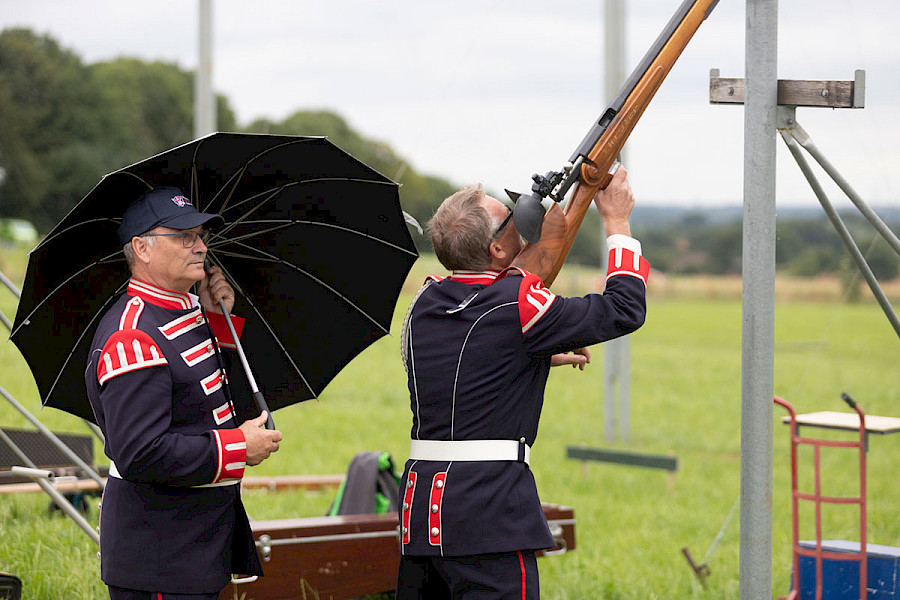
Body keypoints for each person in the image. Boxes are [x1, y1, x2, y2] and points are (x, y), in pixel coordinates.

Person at [395, 166, 649, 599]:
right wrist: (617, 222)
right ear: (496, 248)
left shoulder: (425, 301)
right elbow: (625, 308)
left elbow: (461, 364)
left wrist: (531, 357)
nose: (519, 218)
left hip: (421, 514)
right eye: (508, 217)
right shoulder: (519, 303)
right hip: (488, 513)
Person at [85, 186, 284, 600]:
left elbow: (208, 409)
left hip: (194, 542)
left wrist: (220, 324)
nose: (200, 247)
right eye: (183, 237)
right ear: (141, 248)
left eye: (200, 236)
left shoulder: (187, 310)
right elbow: (140, 453)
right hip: (160, 552)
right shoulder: (132, 335)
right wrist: (237, 448)